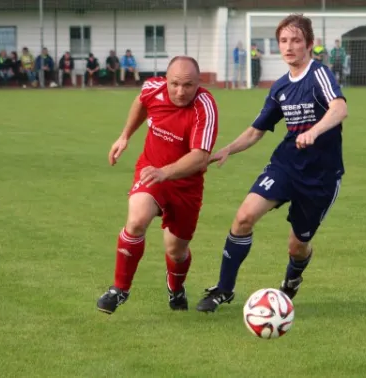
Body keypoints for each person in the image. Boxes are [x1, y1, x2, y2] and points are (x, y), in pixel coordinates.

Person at [196, 13, 348, 313]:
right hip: (286, 165)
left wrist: (315, 131)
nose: (289, 47)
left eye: (295, 40)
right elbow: (256, 131)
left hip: (320, 176)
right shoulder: (280, 87)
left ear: (309, 44)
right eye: (283, 41)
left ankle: (292, 279)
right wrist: (228, 149)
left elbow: (340, 108)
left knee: (298, 245)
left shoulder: (319, 74)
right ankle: (224, 289)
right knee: (243, 217)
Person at [97, 56, 219, 314]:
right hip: (151, 171)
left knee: (176, 251)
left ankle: (176, 289)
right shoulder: (153, 88)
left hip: (185, 185)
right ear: (166, 79)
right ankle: (120, 289)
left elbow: (200, 156)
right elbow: (141, 102)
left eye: (188, 85)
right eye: (174, 84)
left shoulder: (204, 106)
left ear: (199, 82)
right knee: (137, 220)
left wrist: (167, 172)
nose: (180, 91)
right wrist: (125, 136)